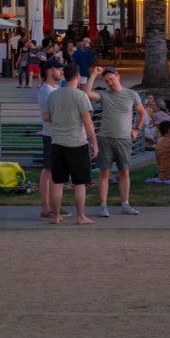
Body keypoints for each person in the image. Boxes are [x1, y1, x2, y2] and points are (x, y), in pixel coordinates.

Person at [84, 66, 146, 217]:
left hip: (124, 139)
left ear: (118, 77)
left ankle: (125, 204)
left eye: (111, 79)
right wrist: (93, 75)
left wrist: (137, 129)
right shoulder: (104, 95)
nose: (110, 83)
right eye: (106, 81)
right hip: (105, 138)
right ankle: (103, 205)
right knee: (104, 172)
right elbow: (87, 94)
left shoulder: (131, 94)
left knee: (124, 172)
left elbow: (141, 111)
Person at [43, 63, 98, 225]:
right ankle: (80, 216)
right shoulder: (80, 96)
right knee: (80, 182)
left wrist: (61, 117)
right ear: (77, 76)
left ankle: (55, 216)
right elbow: (87, 122)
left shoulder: (53, 95)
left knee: (58, 182)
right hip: (77, 143)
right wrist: (94, 142)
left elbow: (46, 117)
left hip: (57, 142)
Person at [36, 61, 65, 219]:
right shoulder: (46, 91)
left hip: (58, 134)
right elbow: (49, 115)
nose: (61, 72)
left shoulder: (57, 89)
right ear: (50, 71)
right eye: (59, 69)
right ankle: (47, 207)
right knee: (48, 170)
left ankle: (55, 205)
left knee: (55, 171)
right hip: (51, 134)